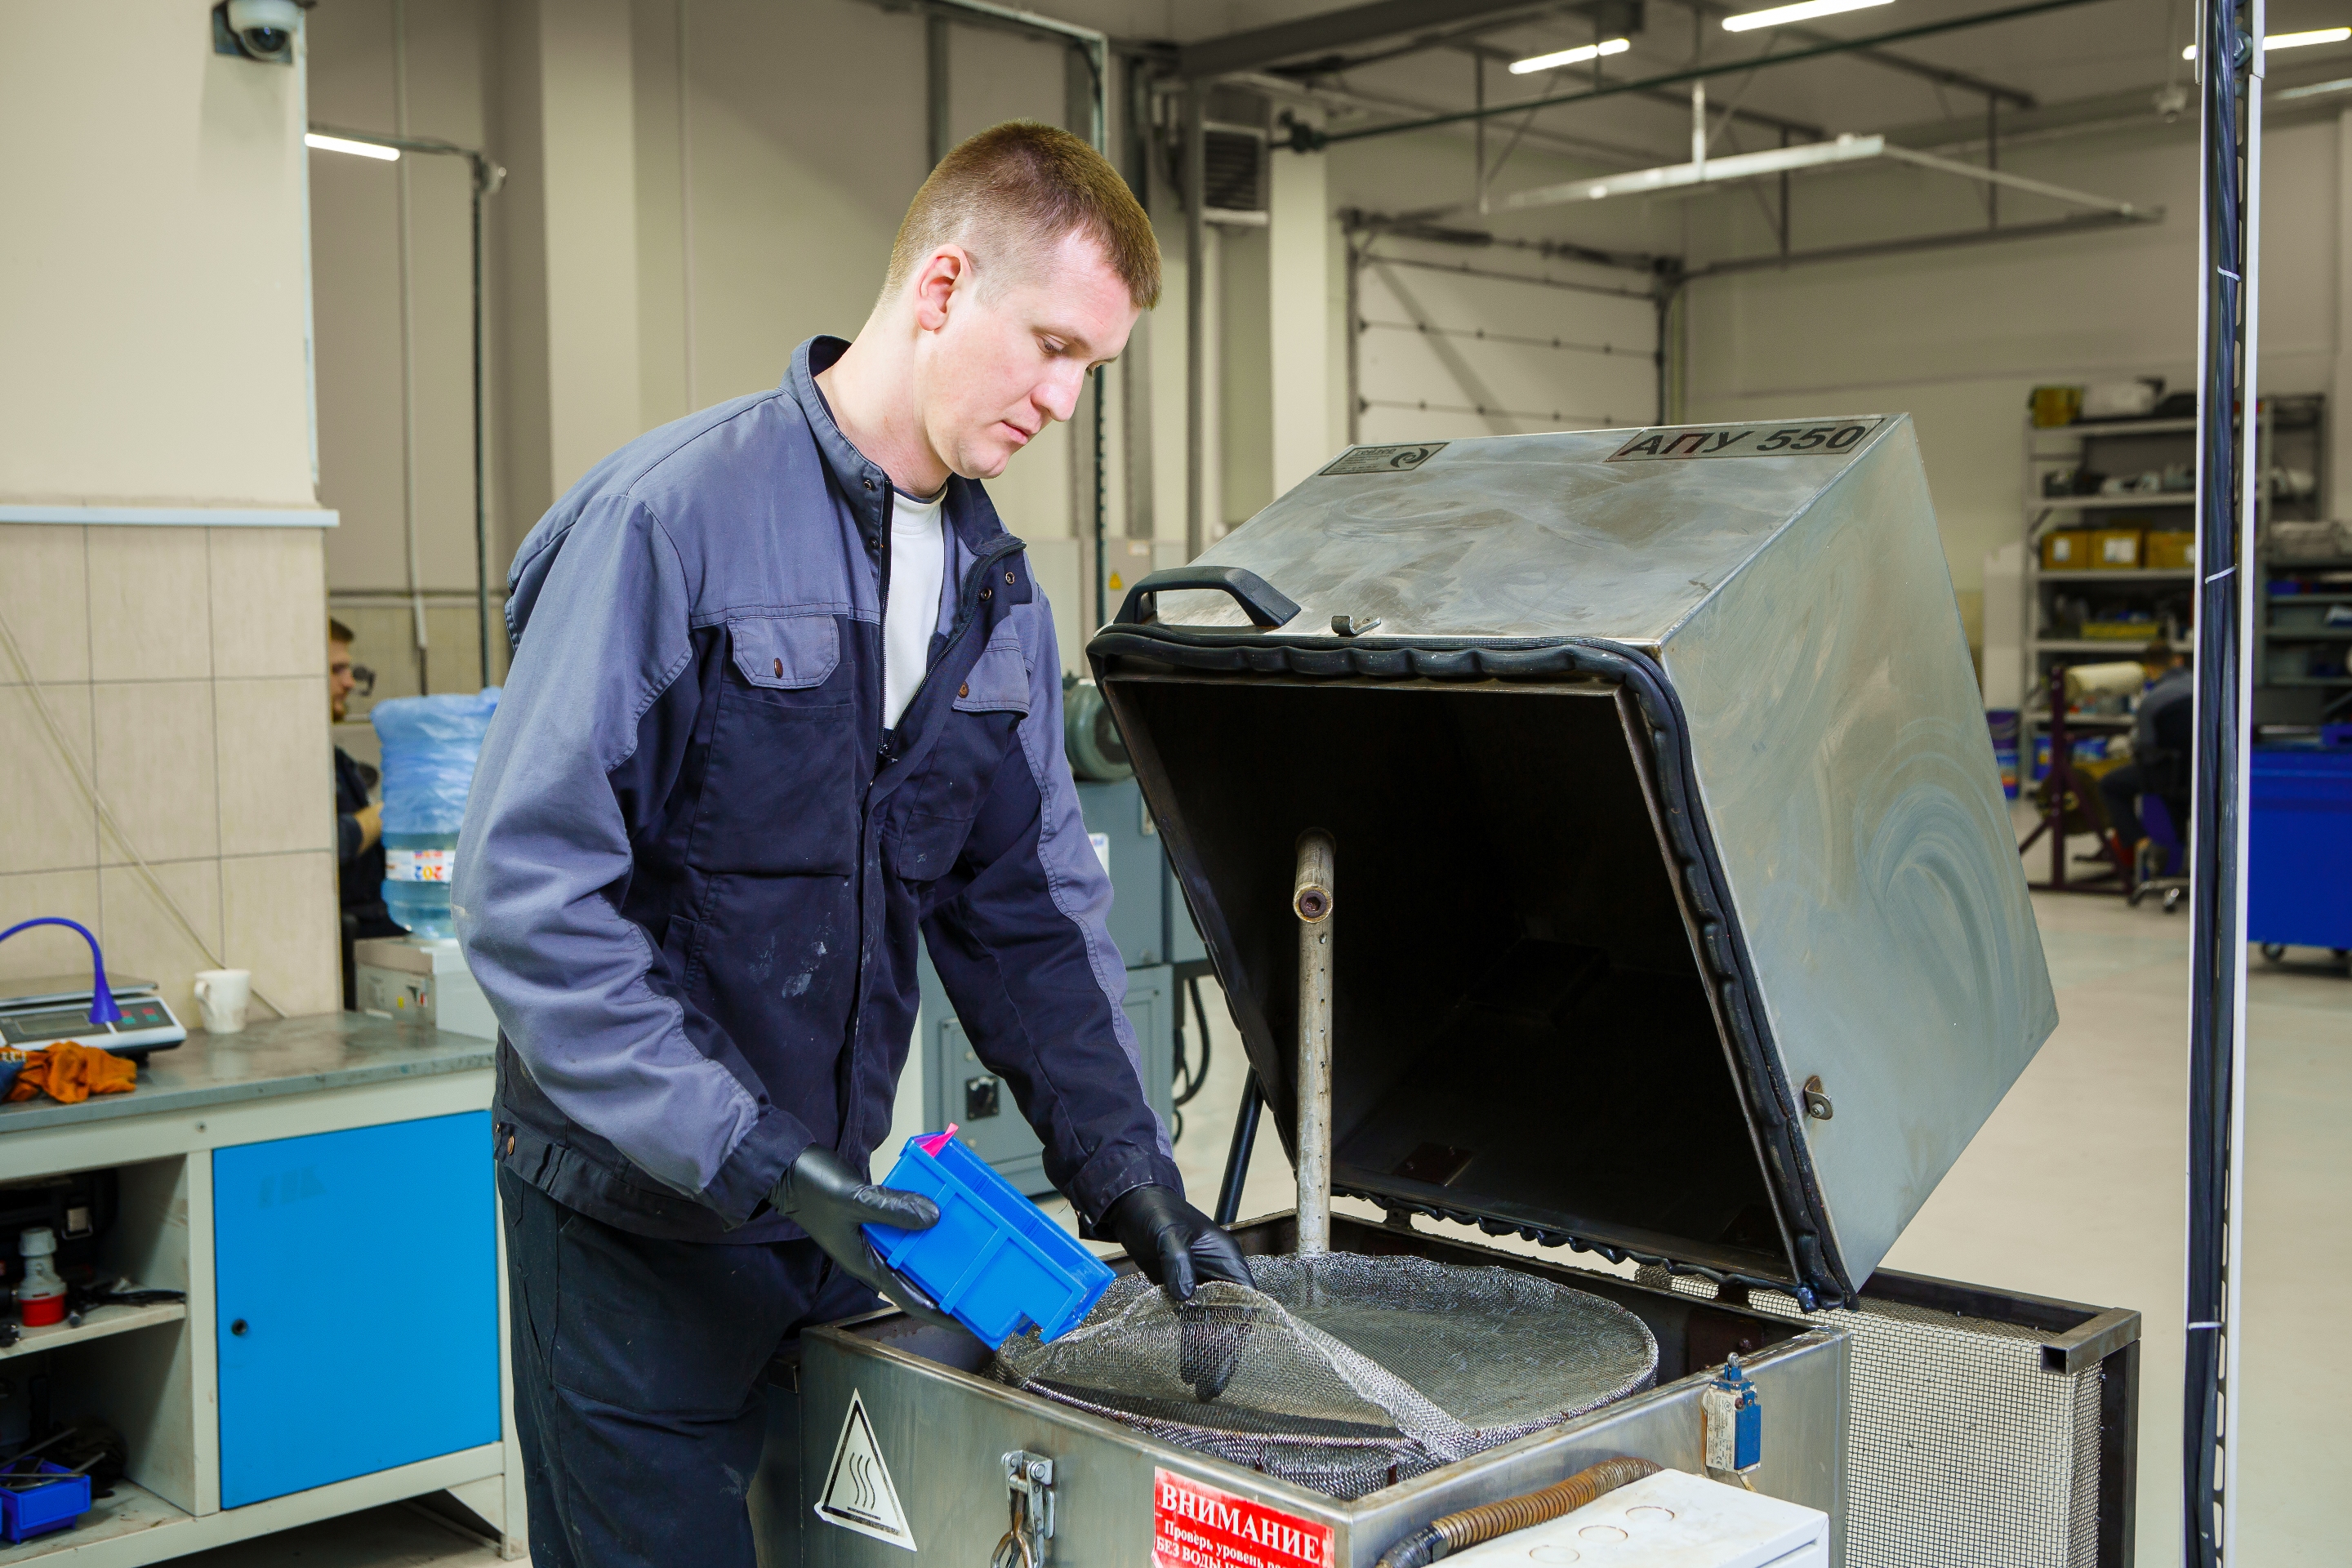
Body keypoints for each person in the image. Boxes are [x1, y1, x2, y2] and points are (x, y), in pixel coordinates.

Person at [453, 122, 1250, 1568]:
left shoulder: (997, 600)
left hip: (823, 1220)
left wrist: (1134, 1174)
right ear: (942, 286)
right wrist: (747, 1151)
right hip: (630, 1228)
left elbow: (1027, 914)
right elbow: (527, 896)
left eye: (1093, 368)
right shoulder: (670, 523)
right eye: (1054, 347)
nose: (1066, 402)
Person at [329, 620, 401, 1008]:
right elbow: (331, 844)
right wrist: (397, 807)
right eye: (336, 670)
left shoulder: (337, 760)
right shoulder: (298, 767)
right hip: (345, 946)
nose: (349, 682)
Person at [2100, 639, 2195, 858]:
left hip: (2169, 776)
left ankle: (2143, 845)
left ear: (2150, 669)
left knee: (2110, 784)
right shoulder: (2204, 688)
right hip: (2202, 773)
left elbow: (2146, 749)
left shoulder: (2151, 702)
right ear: (2178, 661)